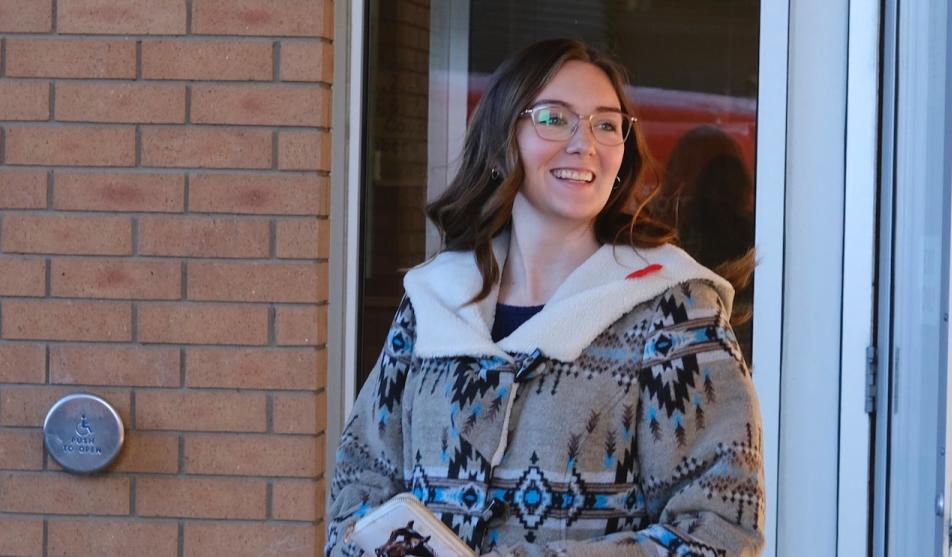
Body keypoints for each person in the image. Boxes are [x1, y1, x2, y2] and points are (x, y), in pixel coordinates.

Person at [326, 38, 765, 557]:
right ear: (501, 139)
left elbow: (718, 530)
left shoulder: (672, 311)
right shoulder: (433, 302)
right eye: (555, 118)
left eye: (606, 124)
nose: (586, 144)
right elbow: (358, 483)